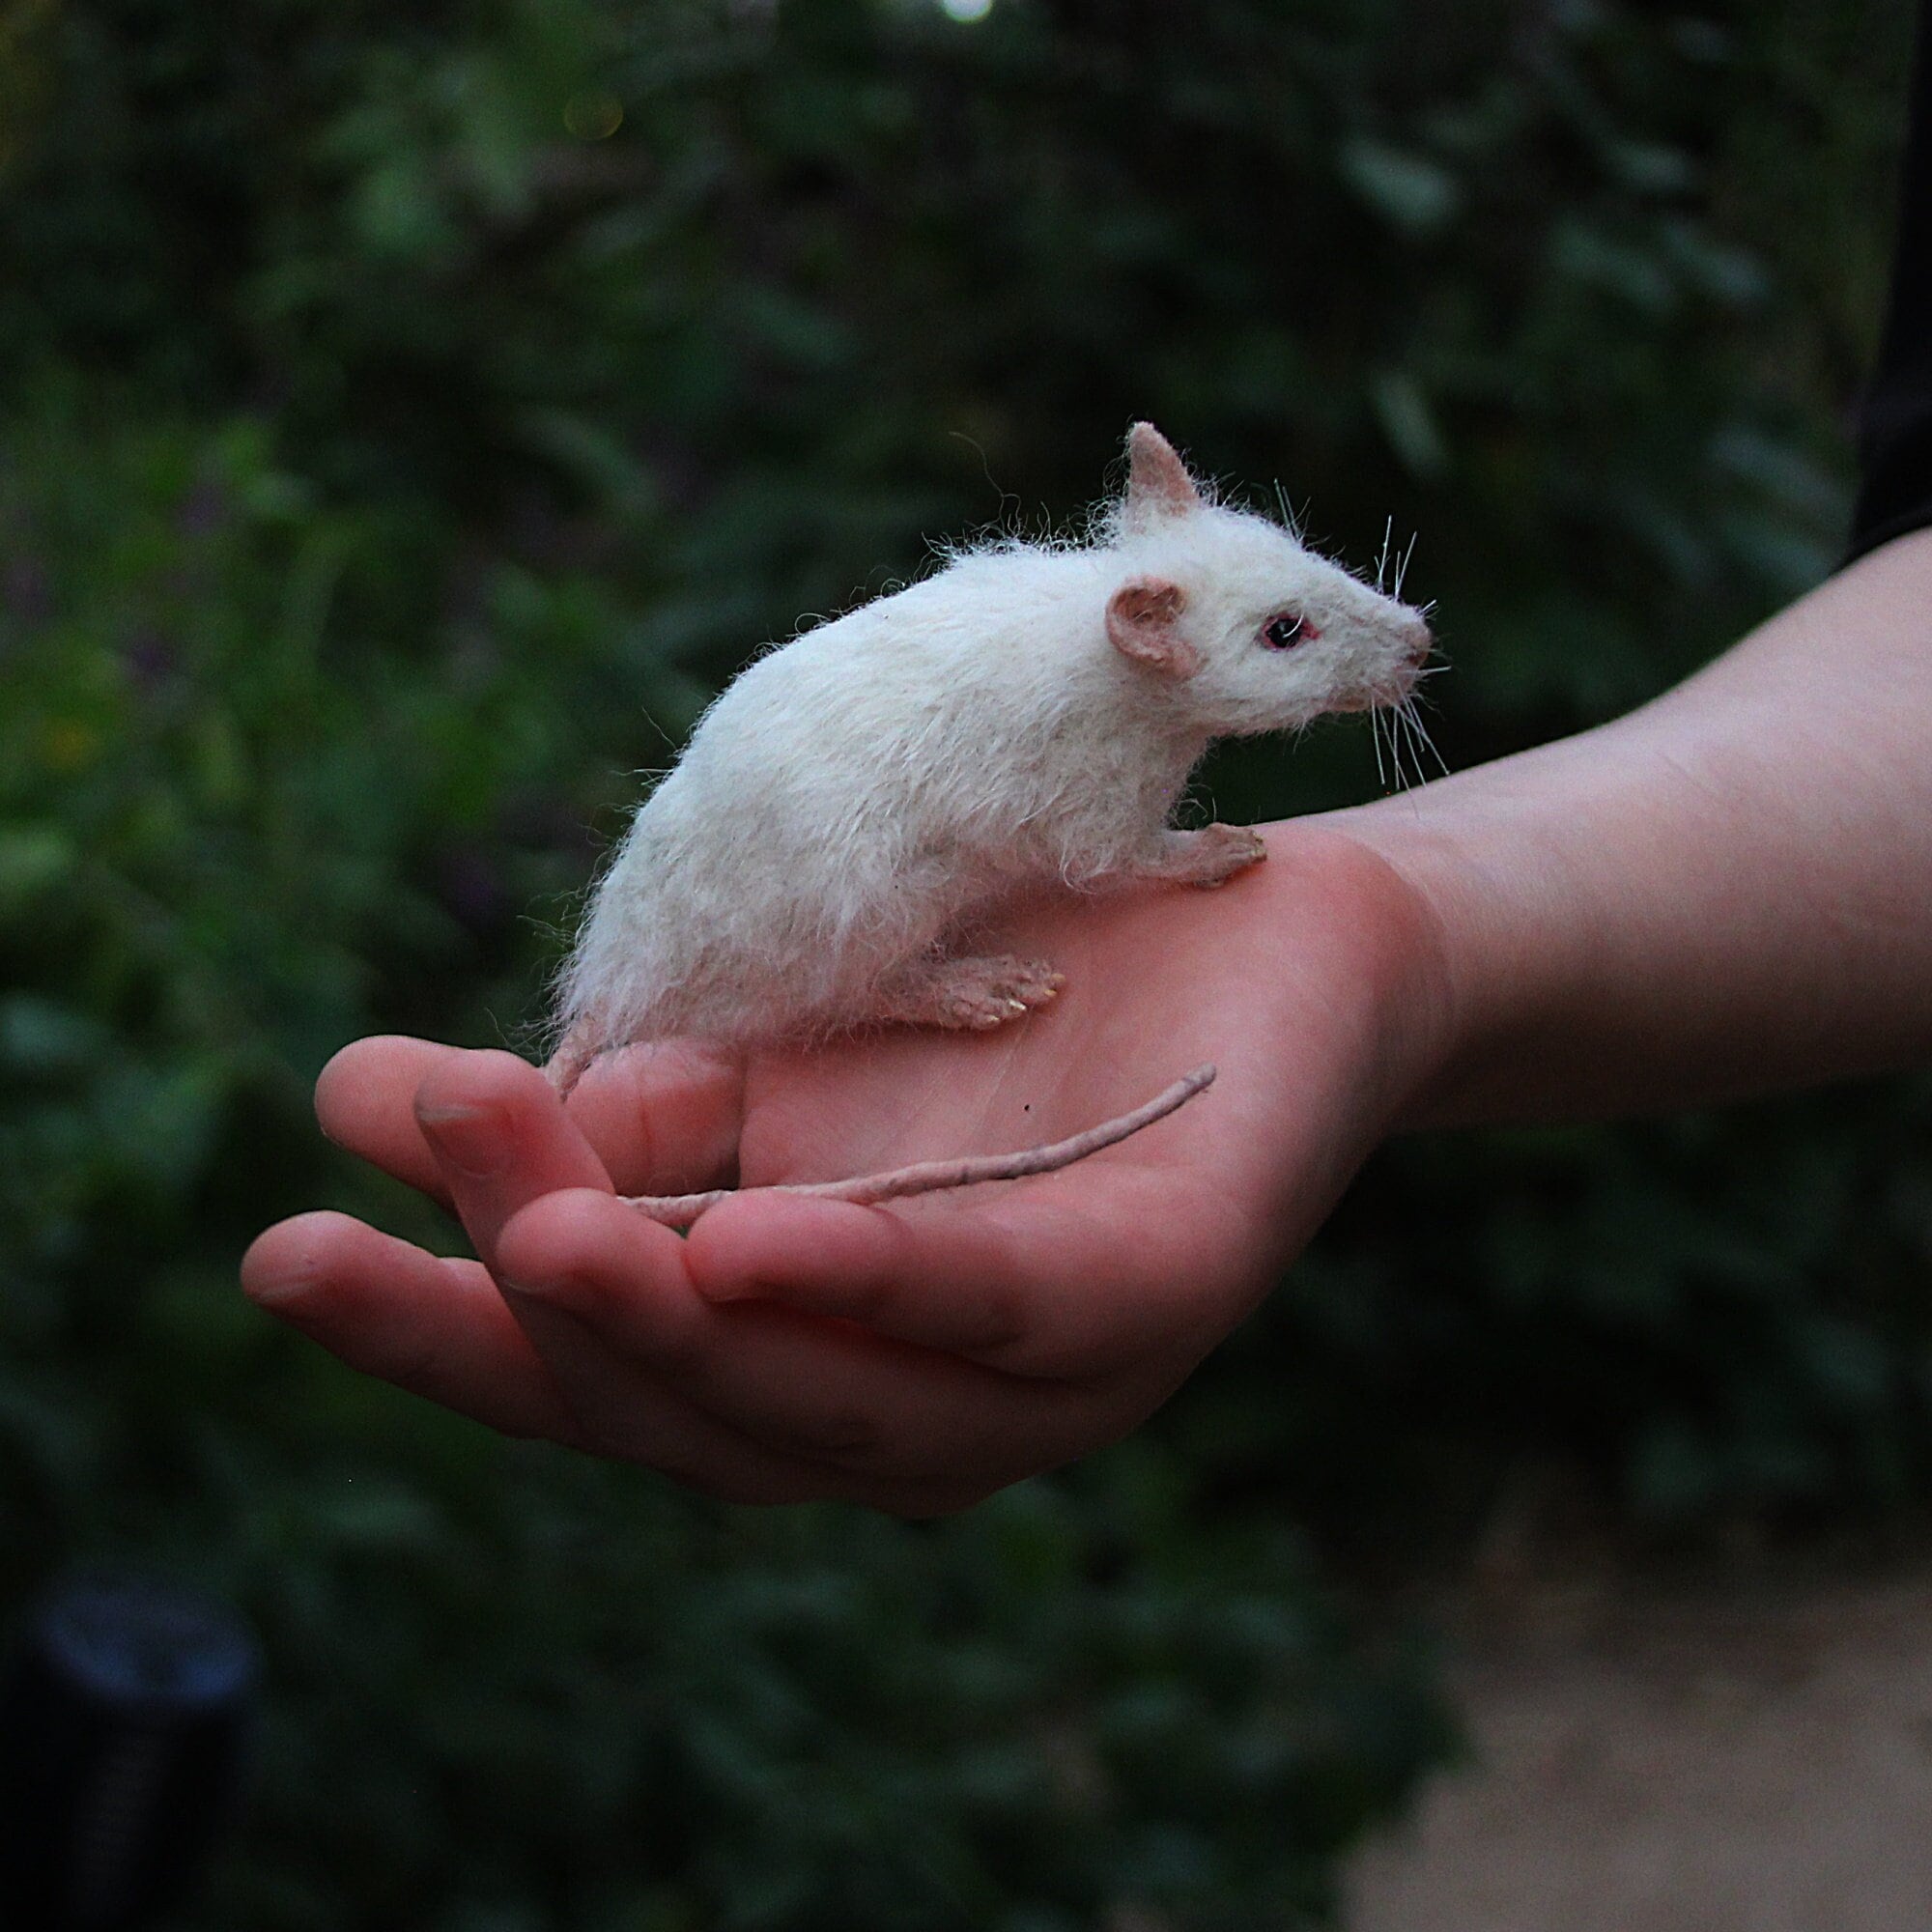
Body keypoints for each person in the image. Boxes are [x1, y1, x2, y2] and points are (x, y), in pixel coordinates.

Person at [241, 21, 1932, 1519]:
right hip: (812, 879)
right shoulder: (1089, 692)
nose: (1372, 642)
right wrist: (1170, 877)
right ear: (1150, 627)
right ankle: (888, 994)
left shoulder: (1105, 629)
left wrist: (1402, 927)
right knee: (848, 918)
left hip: (803, 839)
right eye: (1293, 639)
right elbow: (1059, 834)